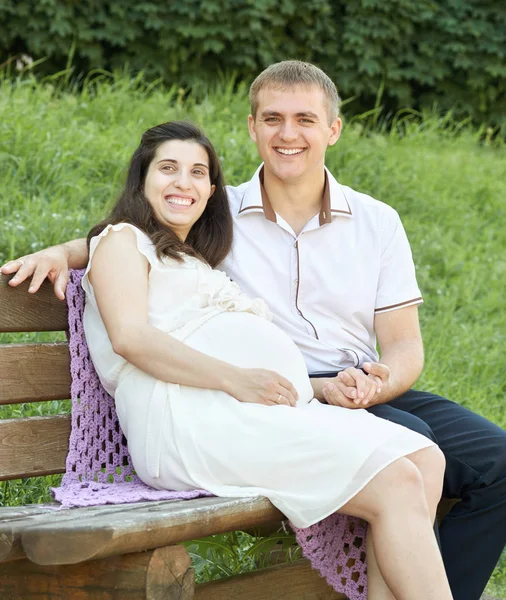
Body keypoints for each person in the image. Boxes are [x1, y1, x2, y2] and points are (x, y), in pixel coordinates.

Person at [2, 60, 504, 600]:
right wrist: (62, 250)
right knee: (410, 456)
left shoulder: (372, 220)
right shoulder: (220, 214)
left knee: (460, 459)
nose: (288, 134)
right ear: (252, 126)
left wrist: (375, 385)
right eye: (273, 118)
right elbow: (125, 242)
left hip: (338, 386)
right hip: (244, 401)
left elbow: (404, 343)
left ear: (332, 129)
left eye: (305, 119)